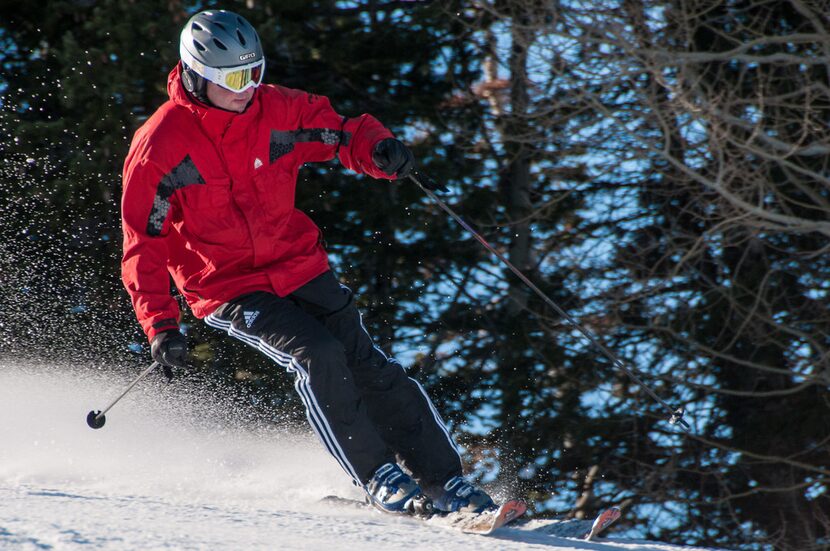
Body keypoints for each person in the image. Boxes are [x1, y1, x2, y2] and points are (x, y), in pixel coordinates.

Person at [121, 9, 493, 515]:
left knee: (366, 362)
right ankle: (378, 475)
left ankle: (446, 481)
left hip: (300, 263)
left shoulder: (275, 110)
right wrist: (161, 324)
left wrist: (378, 149)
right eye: (233, 78)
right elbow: (144, 241)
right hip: (229, 285)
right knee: (317, 352)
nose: (247, 87)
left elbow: (341, 132)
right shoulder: (161, 145)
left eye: (255, 72)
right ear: (195, 74)